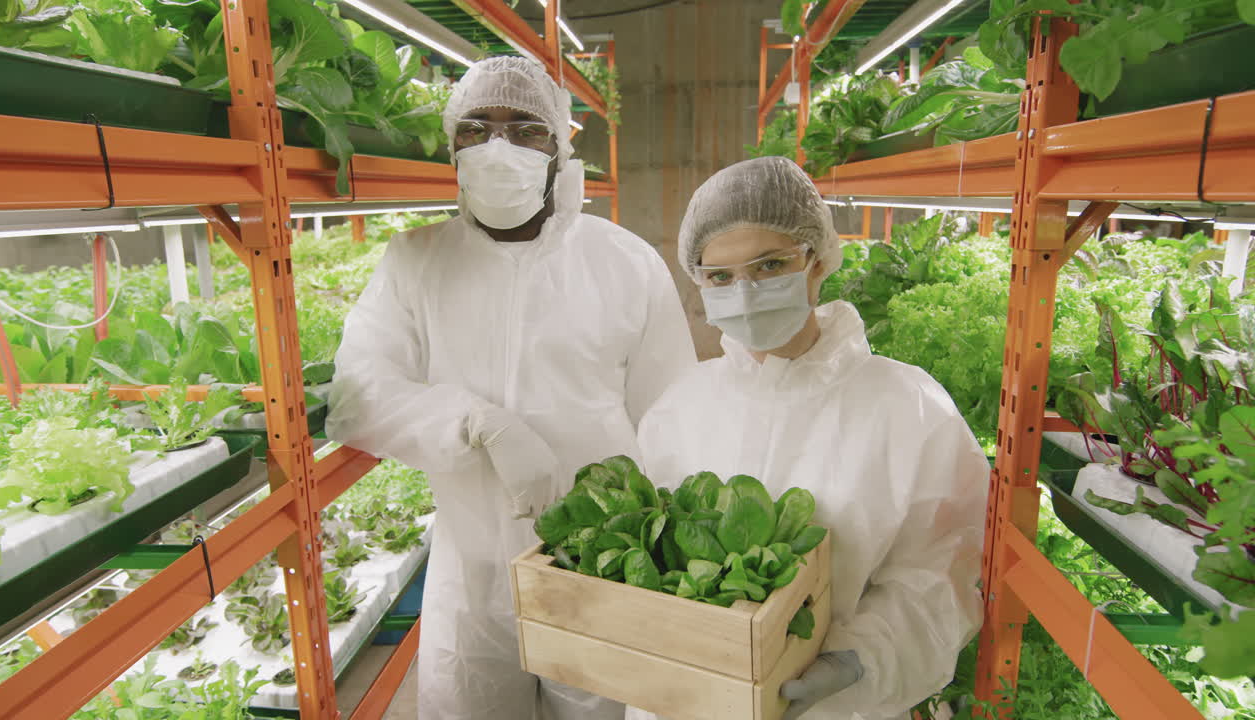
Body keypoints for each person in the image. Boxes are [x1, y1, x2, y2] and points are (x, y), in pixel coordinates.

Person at [327, 57, 696, 720]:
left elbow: (673, 421)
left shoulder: (624, 263)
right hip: (470, 574)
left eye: (525, 129)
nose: (499, 147)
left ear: (560, 146)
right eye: (477, 128)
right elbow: (358, 392)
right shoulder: (415, 261)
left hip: (601, 566)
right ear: (452, 145)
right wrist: (475, 421)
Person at [627, 156, 989, 720]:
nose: (744, 293)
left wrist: (859, 660)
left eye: (770, 266)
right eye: (720, 277)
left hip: (834, 707)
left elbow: (941, 576)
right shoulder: (680, 407)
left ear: (817, 260)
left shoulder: (909, 409)